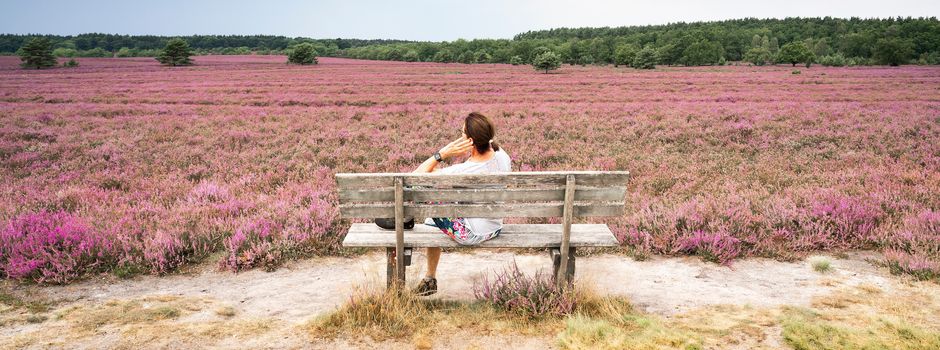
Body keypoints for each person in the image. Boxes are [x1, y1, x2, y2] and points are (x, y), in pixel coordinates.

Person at [410, 112, 511, 296]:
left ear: (470, 141)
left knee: (422, 191)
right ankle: (429, 279)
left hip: (470, 233)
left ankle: (403, 223)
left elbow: (415, 176)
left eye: (462, 133)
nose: (460, 136)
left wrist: (442, 154)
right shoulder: (502, 155)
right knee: (432, 220)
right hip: (494, 227)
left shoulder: (466, 170)